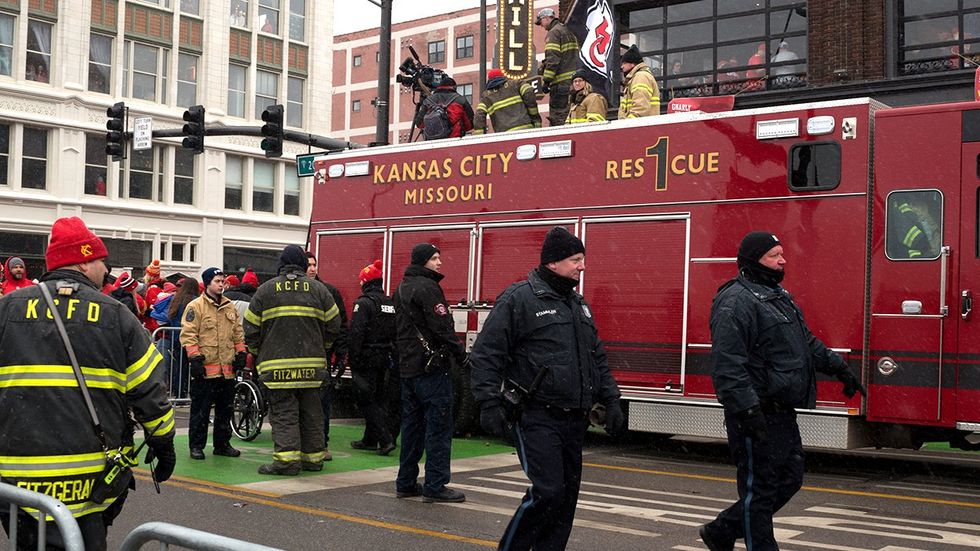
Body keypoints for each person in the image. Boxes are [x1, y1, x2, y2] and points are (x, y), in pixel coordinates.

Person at [0, 217, 175, 551]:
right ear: (82, 261)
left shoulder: (7, 310)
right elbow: (149, 391)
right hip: (91, 480)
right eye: (100, 260)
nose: (105, 269)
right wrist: (163, 442)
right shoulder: (115, 315)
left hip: (16, 481)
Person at [700, 231, 867, 551]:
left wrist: (839, 368)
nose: (782, 260)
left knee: (789, 479)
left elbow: (806, 344)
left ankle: (722, 530)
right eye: (774, 255)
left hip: (781, 411)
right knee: (760, 491)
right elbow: (728, 365)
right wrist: (748, 411)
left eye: (781, 254)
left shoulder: (778, 297)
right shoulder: (734, 302)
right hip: (755, 411)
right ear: (754, 261)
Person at [470, 226, 623, 551]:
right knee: (548, 491)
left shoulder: (578, 305)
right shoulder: (520, 299)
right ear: (553, 262)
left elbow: (596, 355)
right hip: (537, 416)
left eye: (582, 259)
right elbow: (487, 353)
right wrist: (487, 403)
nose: (582, 266)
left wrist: (612, 398)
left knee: (565, 500)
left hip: (574, 419)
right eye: (575, 259)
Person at [245, 245, 342, 475]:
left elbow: (250, 329)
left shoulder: (266, 291)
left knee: (284, 414)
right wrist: (322, 347)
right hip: (312, 368)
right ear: (301, 263)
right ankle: (313, 459)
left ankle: (287, 462)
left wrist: (259, 352)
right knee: (312, 414)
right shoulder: (319, 290)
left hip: (276, 368)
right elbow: (334, 325)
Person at [393, 243, 467, 503]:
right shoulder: (429, 288)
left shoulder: (401, 287)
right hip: (432, 370)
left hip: (408, 370)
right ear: (423, 261)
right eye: (435, 258)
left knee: (412, 428)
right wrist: (462, 356)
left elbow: (398, 330)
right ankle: (435, 484)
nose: (439, 263)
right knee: (438, 427)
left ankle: (405, 482)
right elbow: (442, 327)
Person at [180, 267, 246, 461]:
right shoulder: (196, 306)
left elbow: (237, 332)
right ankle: (197, 446)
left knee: (225, 410)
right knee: (200, 410)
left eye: (222, 281)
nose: (221, 284)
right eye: (217, 281)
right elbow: (188, 334)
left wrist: (241, 352)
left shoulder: (229, 307)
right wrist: (194, 357)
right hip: (205, 370)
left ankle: (222, 444)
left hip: (227, 370)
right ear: (207, 283)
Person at [348, 260, 398, 456]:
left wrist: (353, 359)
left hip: (367, 358)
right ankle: (369, 439)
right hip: (385, 357)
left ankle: (385, 440)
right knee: (378, 398)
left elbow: (356, 334)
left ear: (365, 282)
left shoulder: (363, 304)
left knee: (365, 400)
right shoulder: (389, 303)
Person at [307, 251, 349, 460]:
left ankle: (322, 444)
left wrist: (340, 354)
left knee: (321, 403)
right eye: (308, 265)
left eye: (314, 264)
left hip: (321, 357)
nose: (312, 269)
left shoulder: (328, 292)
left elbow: (341, 325)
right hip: (303, 356)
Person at [151, 277, 200, 397]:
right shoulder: (197, 301)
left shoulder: (176, 299)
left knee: (178, 366)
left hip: (176, 337)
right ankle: (190, 391)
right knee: (193, 365)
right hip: (192, 337)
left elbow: (170, 316)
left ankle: (179, 392)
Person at [536, 7, 578, 126]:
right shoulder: (567, 31)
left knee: (558, 118)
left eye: (541, 22)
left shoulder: (553, 33)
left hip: (560, 84)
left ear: (546, 18)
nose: (541, 26)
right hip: (571, 82)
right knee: (568, 114)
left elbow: (553, 59)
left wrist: (546, 81)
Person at [473, 68, 541, 134]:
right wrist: (535, 118)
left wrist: (479, 135)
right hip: (526, 130)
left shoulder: (486, 96)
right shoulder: (516, 84)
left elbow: (479, 115)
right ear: (503, 76)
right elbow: (529, 93)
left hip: (505, 135)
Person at [413, 73, 474, 140]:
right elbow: (470, 124)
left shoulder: (428, 100)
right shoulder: (460, 100)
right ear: (454, 87)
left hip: (433, 143)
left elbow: (419, 123)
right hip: (454, 142)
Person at [618, 44, 661, 119]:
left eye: (624, 63)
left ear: (632, 63)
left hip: (638, 127)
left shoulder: (640, 77)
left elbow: (640, 108)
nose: (622, 67)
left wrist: (627, 125)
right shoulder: (635, 78)